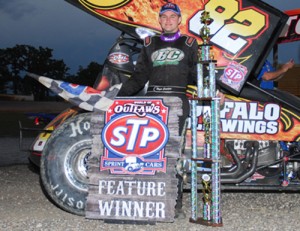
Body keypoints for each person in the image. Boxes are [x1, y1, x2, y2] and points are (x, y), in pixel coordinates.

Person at [117, 2, 198, 219]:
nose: (169, 20)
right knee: (150, 152)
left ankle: (174, 202)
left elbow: (198, 75)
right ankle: (149, 202)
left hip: (178, 102)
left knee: (174, 154)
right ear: (159, 21)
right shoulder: (150, 43)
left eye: (173, 16)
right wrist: (118, 99)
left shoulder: (190, 43)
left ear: (179, 20)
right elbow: (139, 77)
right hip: (152, 103)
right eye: (165, 17)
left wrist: (214, 89)